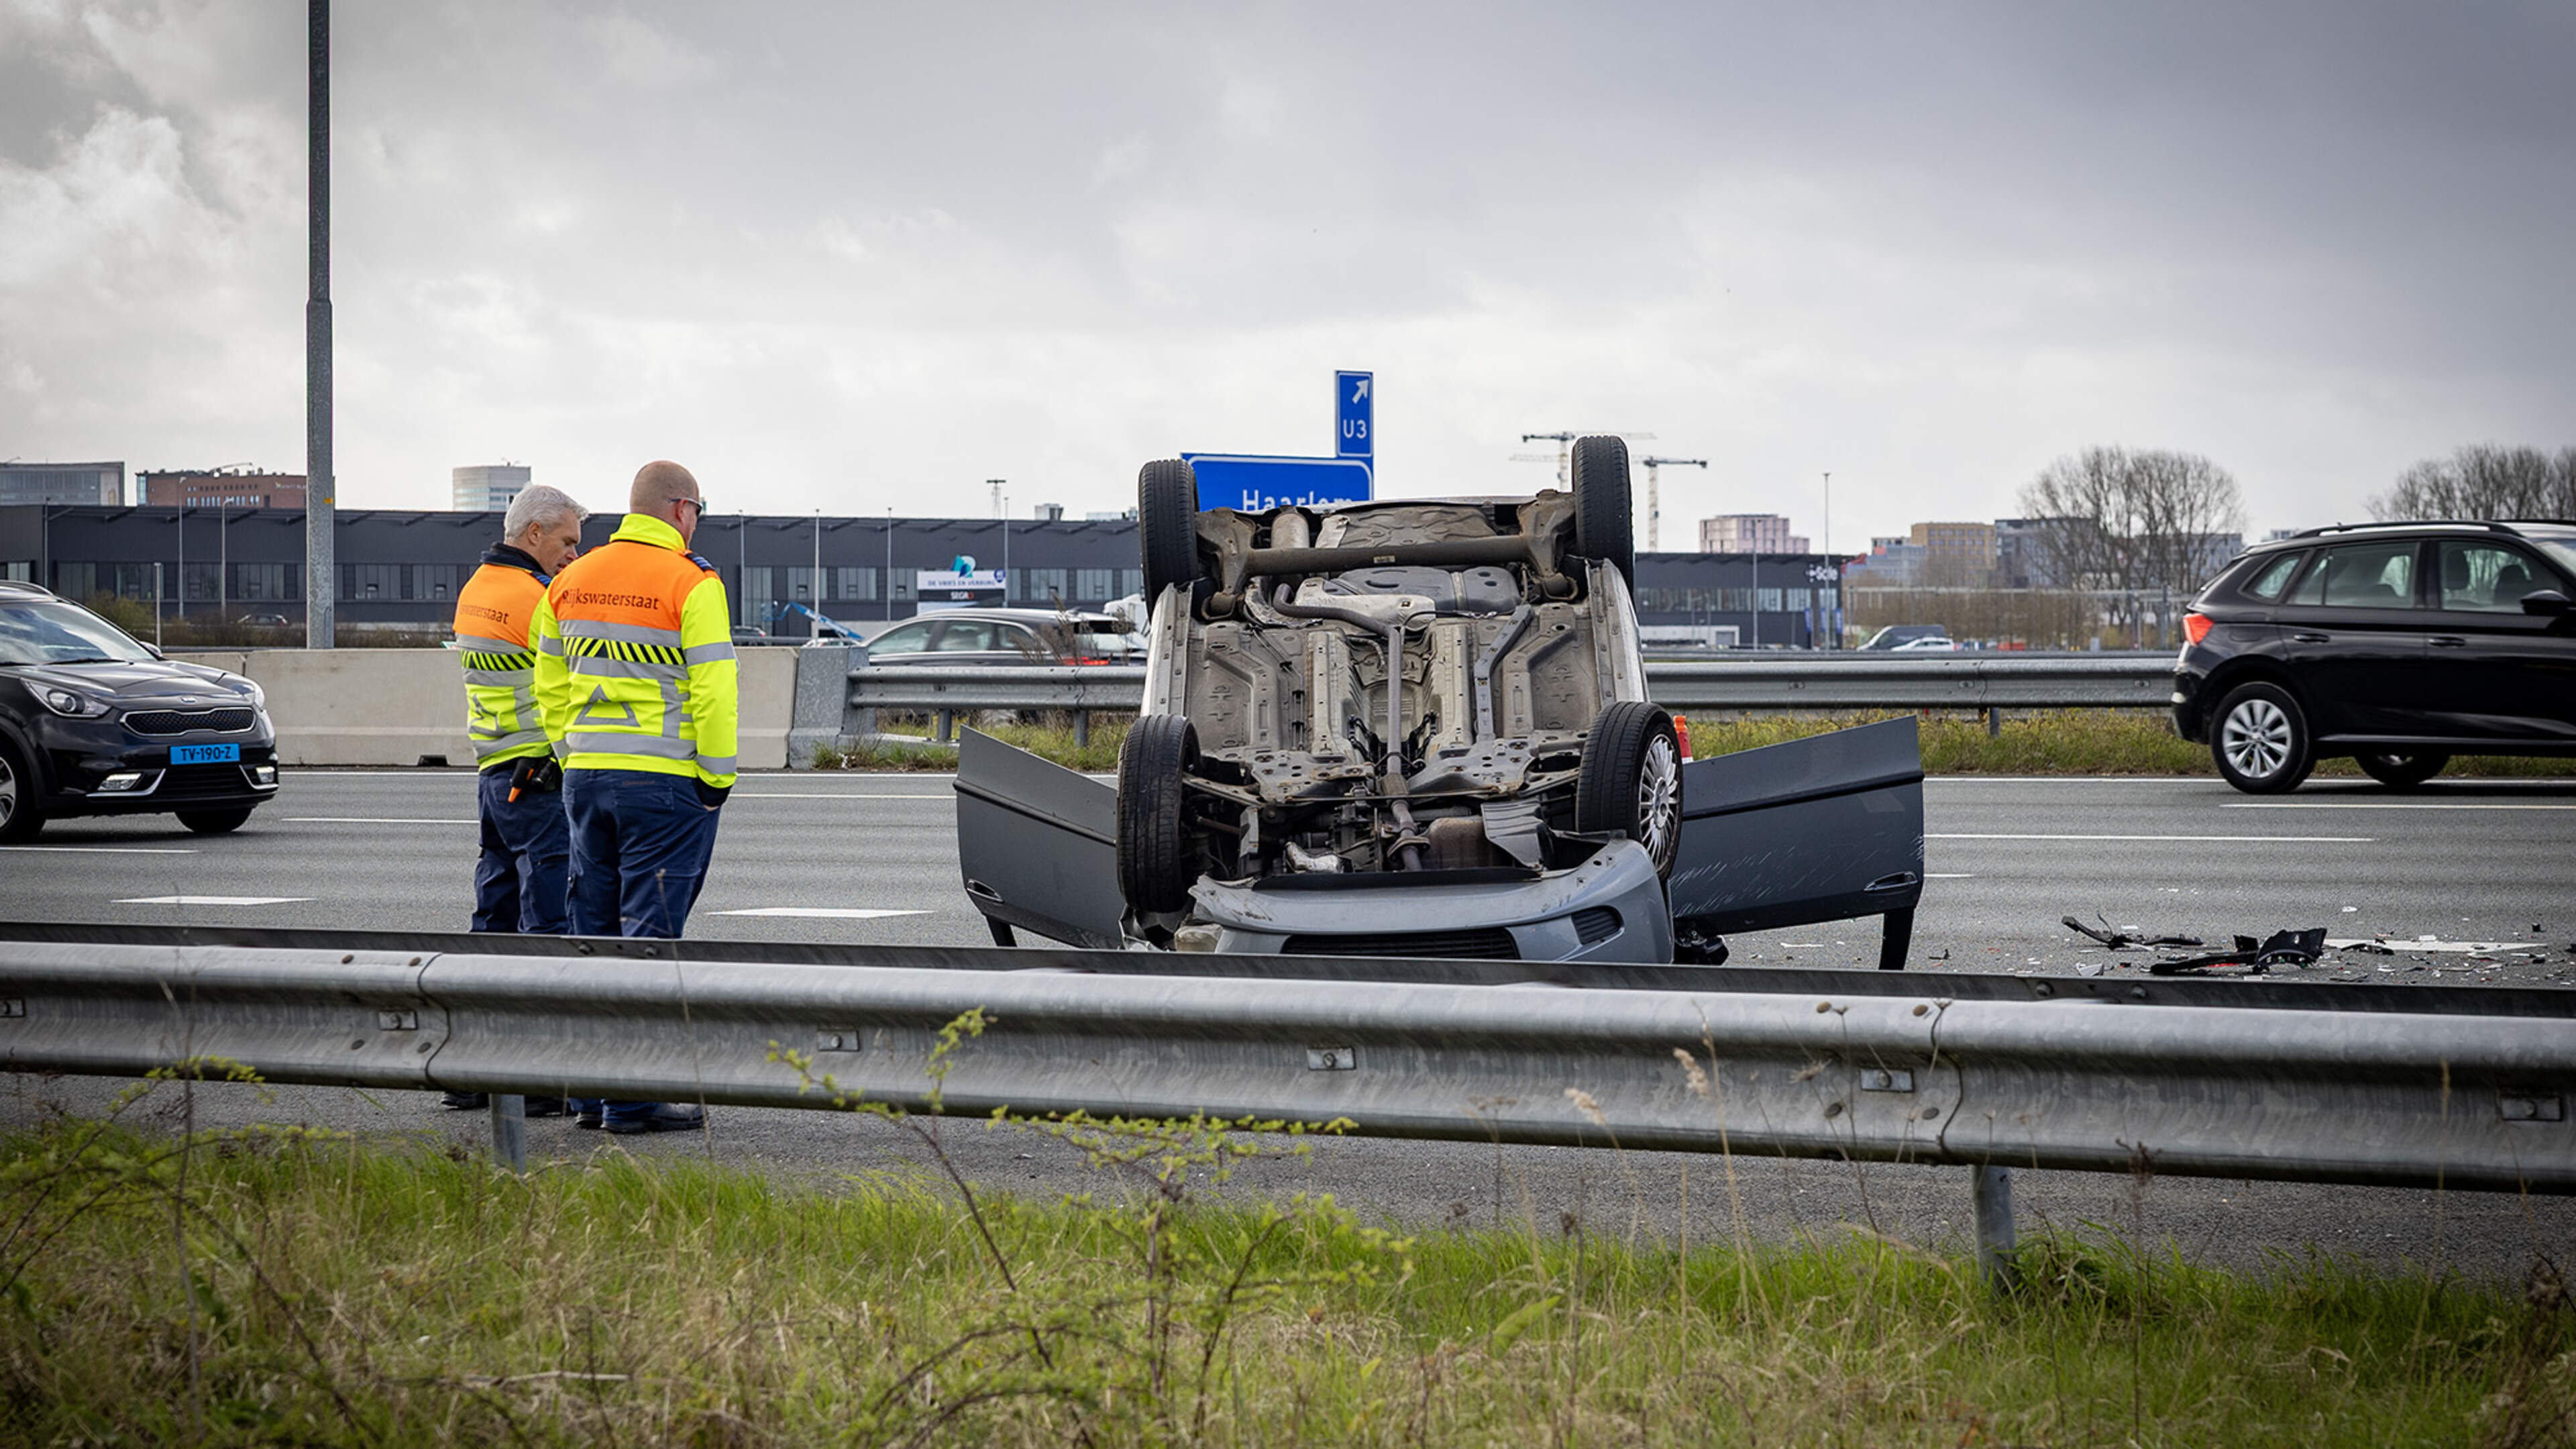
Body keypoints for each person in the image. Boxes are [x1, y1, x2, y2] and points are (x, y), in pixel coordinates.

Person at [533, 460, 737, 1135]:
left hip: (588, 778)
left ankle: (594, 1096)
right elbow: (712, 689)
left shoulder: (569, 579)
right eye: (698, 509)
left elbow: (550, 683)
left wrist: (573, 756)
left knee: (593, 934)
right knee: (650, 938)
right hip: (666, 783)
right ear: (680, 509)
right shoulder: (693, 582)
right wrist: (717, 778)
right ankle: (633, 1103)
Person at [441, 484, 586, 1114]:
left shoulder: (477, 589)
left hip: (494, 771)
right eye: (567, 542)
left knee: (491, 920)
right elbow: (575, 677)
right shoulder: (537, 598)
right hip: (537, 775)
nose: (573, 557)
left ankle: (470, 1068)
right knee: (546, 923)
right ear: (534, 534)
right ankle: (533, 1080)